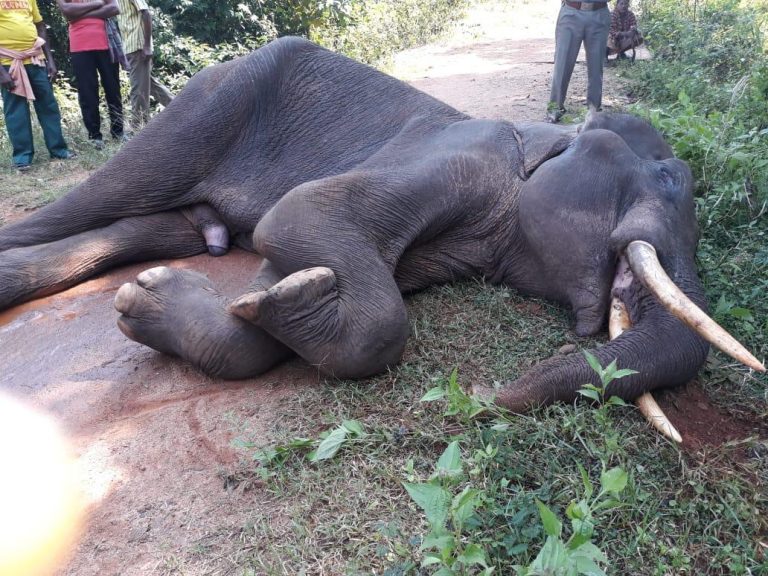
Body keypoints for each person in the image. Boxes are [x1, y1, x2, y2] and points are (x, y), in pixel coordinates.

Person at [0, 0, 75, 170]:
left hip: (35, 59)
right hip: (8, 62)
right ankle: (22, 157)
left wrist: (49, 60)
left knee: (48, 105)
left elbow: (40, 26)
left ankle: (58, 150)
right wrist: (1, 72)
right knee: (16, 111)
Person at [57, 0, 124, 147]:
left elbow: (114, 7)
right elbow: (67, 11)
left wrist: (80, 14)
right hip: (80, 45)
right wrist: (98, 3)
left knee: (113, 89)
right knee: (88, 93)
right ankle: (95, 136)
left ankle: (118, 132)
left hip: (106, 42)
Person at [547, 0, 611, 123]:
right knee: (562, 63)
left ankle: (594, 109)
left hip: (599, 13)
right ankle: (555, 108)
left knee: (596, 66)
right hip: (571, 11)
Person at [116, 0, 172, 130]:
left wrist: (147, 46)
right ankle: (181, 107)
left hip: (138, 46)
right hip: (130, 46)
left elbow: (146, 13)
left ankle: (139, 126)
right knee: (149, 85)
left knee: (138, 89)